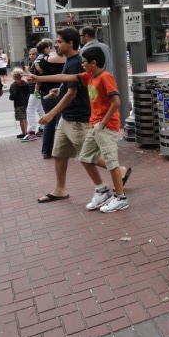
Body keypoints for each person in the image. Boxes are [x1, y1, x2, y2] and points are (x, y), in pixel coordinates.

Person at [31, 46, 130, 213]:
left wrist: (103, 123)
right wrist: (37, 77)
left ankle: (121, 198)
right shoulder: (89, 76)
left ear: (93, 63)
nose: (82, 65)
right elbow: (64, 77)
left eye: (84, 62)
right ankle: (102, 190)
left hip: (106, 127)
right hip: (94, 125)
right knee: (85, 158)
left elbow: (116, 102)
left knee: (111, 163)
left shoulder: (105, 77)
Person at [35, 28, 91, 202]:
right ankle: (60, 189)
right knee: (59, 153)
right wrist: (59, 90)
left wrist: (51, 114)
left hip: (77, 118)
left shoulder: (75, 63)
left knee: (89, 156)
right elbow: (68, 86)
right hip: (67, 117)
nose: (56, 45)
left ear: (71, 43)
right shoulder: (70, 61)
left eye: (59, 41)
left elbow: (72, 94)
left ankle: (119, 171)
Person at [36, 39, 66, 158]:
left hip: (46, 94)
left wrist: (37, 91)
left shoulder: (44, 60)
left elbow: (38, 77)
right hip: (61, 94)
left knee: (48, 122)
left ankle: (46, 151)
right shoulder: (67, 61)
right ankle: (60, 151)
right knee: (60, 122)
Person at [20, 47, 44, 142]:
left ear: (37, 54)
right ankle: (43, 128)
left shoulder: (38, 63)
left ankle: (31, 133)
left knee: (30, 110)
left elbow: (37, 77)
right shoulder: (33, 63)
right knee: (40, 109)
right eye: (30, 54)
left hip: (36, 90)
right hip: (35, 90)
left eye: (33, 54)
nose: (31, 56)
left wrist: (26, 71)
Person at [9, 68, 31, 138]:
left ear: (14, 76)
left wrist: (10, 97)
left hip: (18, 104)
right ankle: (26, 131)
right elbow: (29, 92)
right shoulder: (25, 83)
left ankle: (24, 133)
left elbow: (13, 95)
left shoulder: (13, 85)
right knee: (25, 118)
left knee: (21, 119)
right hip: (26, 103)